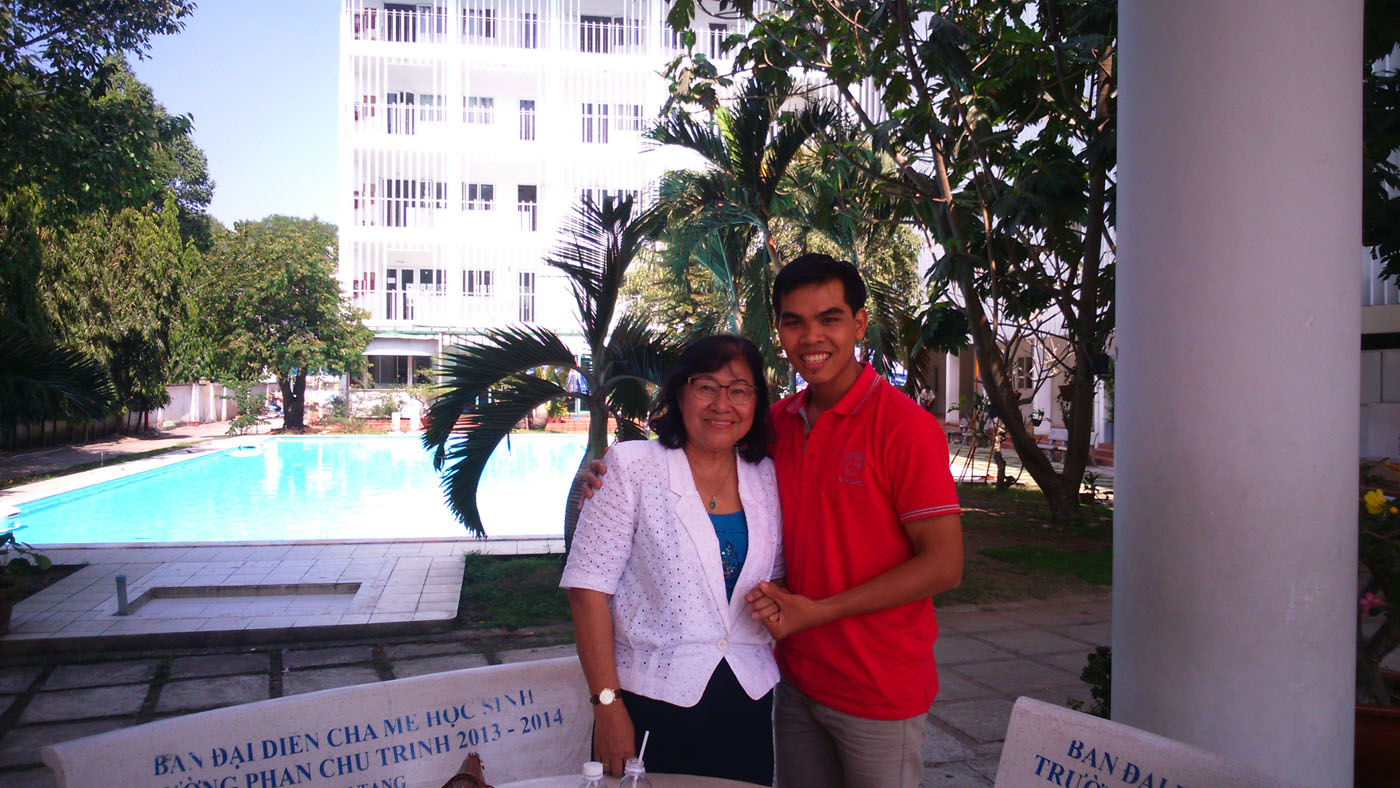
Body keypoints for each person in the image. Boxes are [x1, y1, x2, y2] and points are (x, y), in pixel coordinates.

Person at [583, 254, 963, 788]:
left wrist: (819, 611)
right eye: (794, 321)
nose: (812, 337)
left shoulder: (905, 428)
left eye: (830, 319)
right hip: (791, 681)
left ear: (859, 323)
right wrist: (603, 479)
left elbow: (944, 566)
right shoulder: (776, 429)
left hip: (877, 686)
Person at [560, 334, 783, 784]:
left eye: (739, 390)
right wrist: (607, 705)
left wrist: (776, 601)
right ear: (681, 394)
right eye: (706, 387)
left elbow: (775, 577)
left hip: (746, 701)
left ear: (756, 403)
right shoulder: (632, 466)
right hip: (650, 701)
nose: (722, 404)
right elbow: (587, 592)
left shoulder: (766, 475)